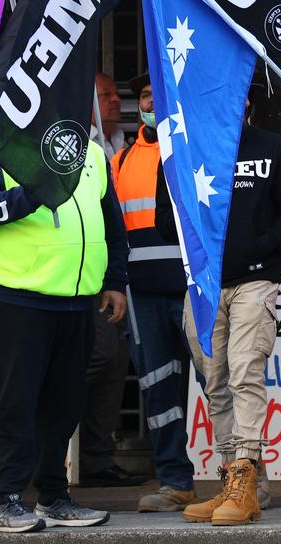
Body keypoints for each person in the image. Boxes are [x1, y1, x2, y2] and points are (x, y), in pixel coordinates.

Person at [0, 132, 128, 533]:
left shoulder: (90, 152)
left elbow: (110, 220)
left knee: (64, 405)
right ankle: (5, 500)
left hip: (77, 299)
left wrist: (116, 279)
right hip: (18, 298)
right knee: (12, 404)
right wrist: (33, 194)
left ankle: (53, 496)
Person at [167, 98, 281, 526]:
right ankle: (236, 482)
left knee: (245, 371)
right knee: (215, 382)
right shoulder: (185, 148)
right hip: (204, 285)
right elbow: (164, 212)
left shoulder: (271, 147)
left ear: (246, 104)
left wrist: (261, 247)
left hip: (254, 281)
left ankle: (244, 476)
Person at [111, 72, 196, 512]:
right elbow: (112, 229)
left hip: (193, 291)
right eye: (144, 94)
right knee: (158, 391)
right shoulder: (121, 161)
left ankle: (243, 476)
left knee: (218, 385)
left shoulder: (194, 145)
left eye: (157, 93)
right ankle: (175, 481)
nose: (150, 100)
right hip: (141, 295)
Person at [79, 72, 143, 489]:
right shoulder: (73, 147)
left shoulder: (130, 145)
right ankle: (62, 455)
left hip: (120, 273)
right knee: (93, 361)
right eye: (104, 95)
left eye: (116, 95)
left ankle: (95, 459)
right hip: (73, 278)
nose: (115, 102)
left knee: (116, 363)